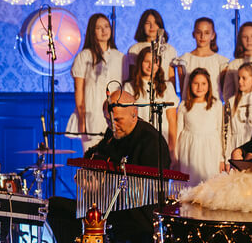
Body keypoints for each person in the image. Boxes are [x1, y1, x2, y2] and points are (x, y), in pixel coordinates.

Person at [83, 89, 173, 243]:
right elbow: (97, 155)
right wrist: (89, 174)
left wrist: (102, 185)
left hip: (142, 218)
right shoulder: (114, 132)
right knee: (58, 208)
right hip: (115, 211)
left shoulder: (151, 141)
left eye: (118, 120)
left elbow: (146, 190)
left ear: (134, 114)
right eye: (108, 120)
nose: (112, 126)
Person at [70, 12, 124, 145]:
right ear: (92, 31)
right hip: (92, 113)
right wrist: (82, 121)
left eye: (106, 26)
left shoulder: (121, 57)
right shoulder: (84, 56)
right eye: (99, 28)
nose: (104, 31)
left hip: (115, 114)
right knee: (92, 154)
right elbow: (79, 90)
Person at [174, 68, 223, 186]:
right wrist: (175, 158)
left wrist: (222, 159)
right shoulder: (184, 105)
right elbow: (177, 132)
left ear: (209, 85)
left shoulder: (216, 105)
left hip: (210, 151)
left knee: (209, 184)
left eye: (203, 84)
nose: (200, 87)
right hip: (189, 151)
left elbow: (220, 131)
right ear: (190, 85)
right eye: (196, 83)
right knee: (189, 185)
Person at [128, 45, 179, 152]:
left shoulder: (167, 87)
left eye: (155, 62)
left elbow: (172, 119)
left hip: (162, 141)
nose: (150, 66)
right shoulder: (129, 87)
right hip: (139, 142)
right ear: (140, 63)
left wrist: (172, 148)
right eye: (146, 61)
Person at [223, 62, 252, 166]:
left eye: (244, 78)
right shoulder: (231, 102)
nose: (240, 81)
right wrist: (227, 158)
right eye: (238, 78)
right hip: (235, 146)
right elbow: (227, 132)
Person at [175, 17, 228, 101]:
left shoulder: (221, 62)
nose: (202, 36)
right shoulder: (184, 60)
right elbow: (183, 90)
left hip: (213, 106)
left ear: (213, 35)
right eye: (199, 32)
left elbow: (224, 90)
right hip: (190, 106)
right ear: (193, 34)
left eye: (207, 33)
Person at [123, 8, 177, 84]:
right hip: (141, 88)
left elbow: (171, 77)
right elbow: (133, 76)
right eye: (148, 23)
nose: (152, 26)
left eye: (155, 23)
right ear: (142, 26)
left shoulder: (169, 49)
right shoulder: (134, 49)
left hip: (163, 88)